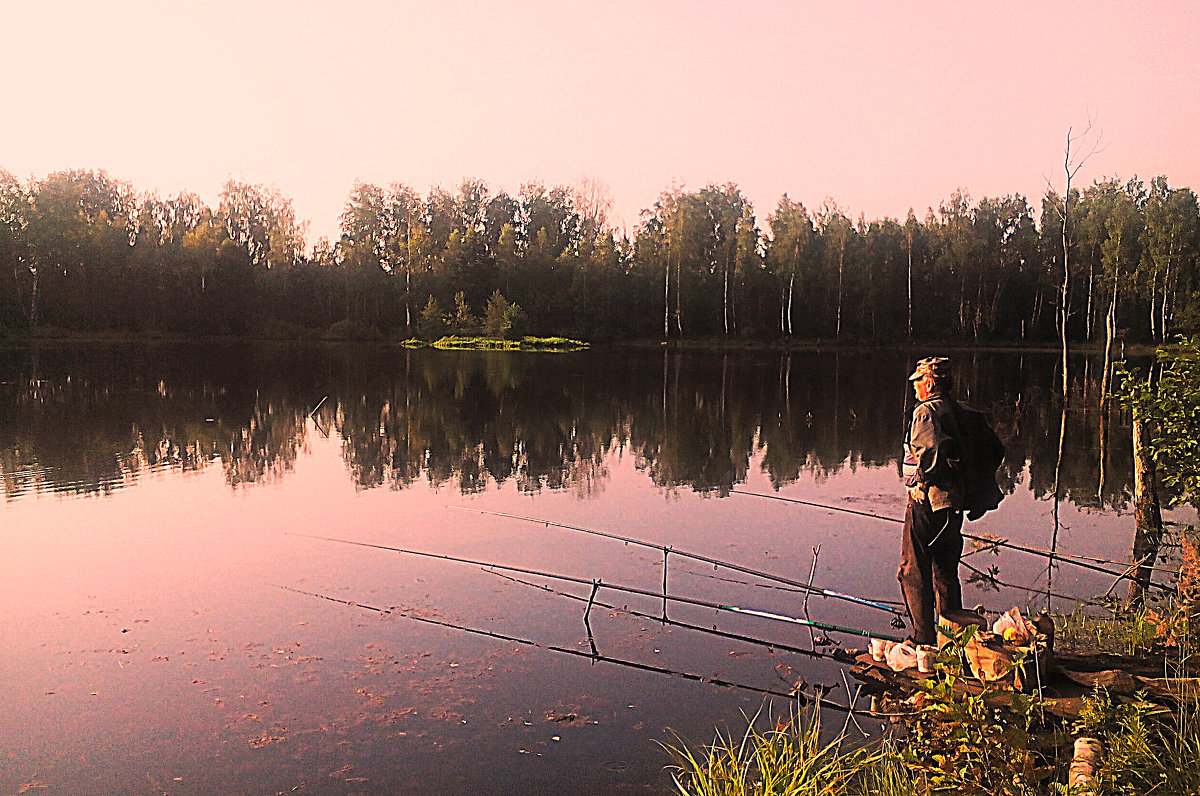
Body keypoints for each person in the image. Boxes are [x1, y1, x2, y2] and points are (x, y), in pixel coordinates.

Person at [898, 356, 966, 646]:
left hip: (928, 502)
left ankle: (922, 639)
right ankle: (954, 639)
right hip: (954, 503)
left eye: (918, 380)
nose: (914, 385)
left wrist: (918, 483)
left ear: (930, 382)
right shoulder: (958, 410)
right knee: (945, 571)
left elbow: (929, 454)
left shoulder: (926, 412)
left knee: (912, 570)